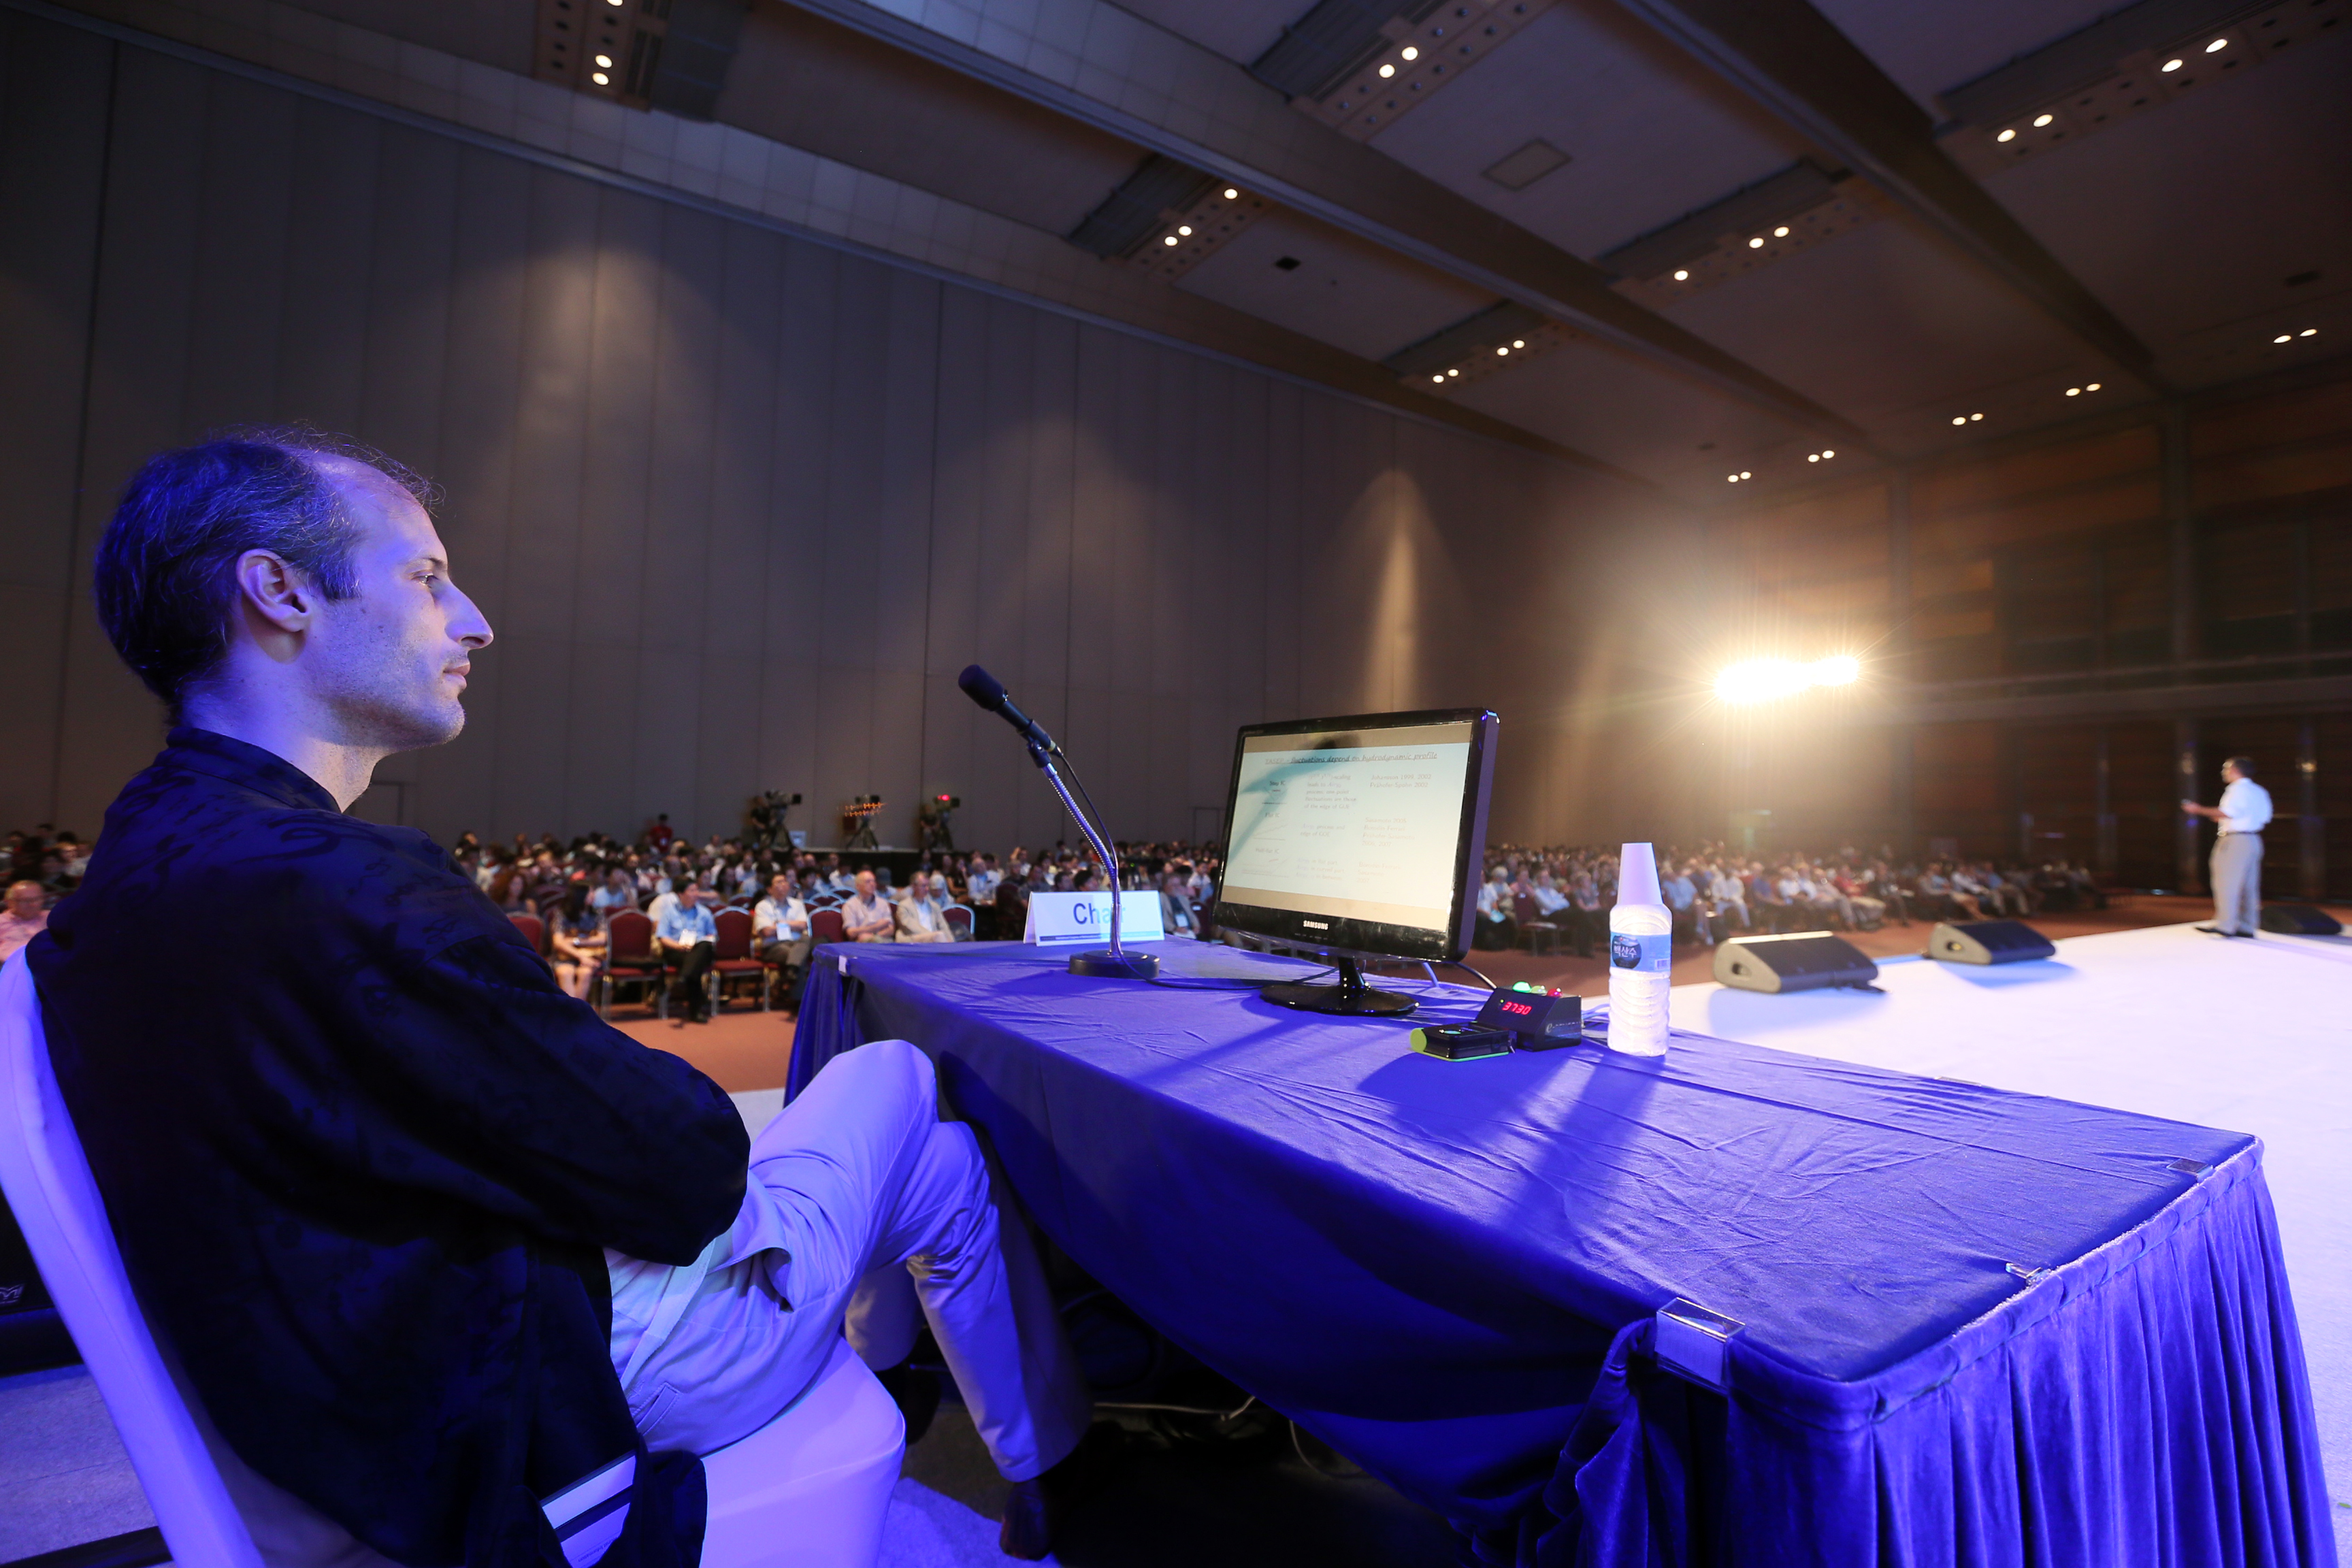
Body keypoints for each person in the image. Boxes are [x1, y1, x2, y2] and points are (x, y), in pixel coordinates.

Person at [28, 431, 1090, 1567]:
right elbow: (687, 1171)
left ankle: (999, 1444)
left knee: (939, 1165)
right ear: (280, 592)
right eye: (427, 577)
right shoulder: (335, 885)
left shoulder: (144, 861)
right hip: (543, 1390)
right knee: (900, 1076)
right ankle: (1027, 1461)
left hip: (358, 1393)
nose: (475, 621)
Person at [2185, 755, 2272, 938]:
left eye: (2226, 769)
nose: (2224, 772)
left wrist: (2197, 809)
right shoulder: (2259, 791)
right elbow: (2264, 817)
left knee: (2226, 882)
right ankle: (2247, 926)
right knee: (2249, 886)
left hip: (2235, 841)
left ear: (2234, 770)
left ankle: (2225, 924)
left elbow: (2229, 812)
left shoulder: (2236, 790)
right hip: (2253, 840)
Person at [657, 881, 719, 1025]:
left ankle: (683, 978)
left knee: (703, 948)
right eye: (691, 891)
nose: (696, 894)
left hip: (701, 950)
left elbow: (713, 935)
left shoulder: (704, 912)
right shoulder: (669, 912)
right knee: (694, 965)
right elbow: (663, 937)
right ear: (680, 894)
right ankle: (695, 1012)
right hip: (677, 950)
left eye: (697, 890)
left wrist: (706, 940)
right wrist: (679, 946)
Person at [753, 872, 812, 1011]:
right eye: (779, 882)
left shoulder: (797, 904)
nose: (784, 885)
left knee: (806, 941)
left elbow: (803, 925)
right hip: (774, 946)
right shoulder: (763, 906)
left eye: (785, 881)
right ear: (769, 889)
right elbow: (766, 932)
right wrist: (792, 925)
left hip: (797, 944)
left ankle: (792, 972)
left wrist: (780, 923)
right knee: (798, 955)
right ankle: (798, 1001)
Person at [896, 869, 956, 944]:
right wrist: (932, 936)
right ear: (914, 887)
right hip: (915, 940)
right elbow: (910, 927)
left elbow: (943, 926)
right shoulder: (904, 906)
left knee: (943, 938)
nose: (927, 889)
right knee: (939, 936)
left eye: (928, 886)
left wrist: (951, 941)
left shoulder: (934, 906)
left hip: (936, 940)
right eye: (923, 886)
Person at [840, 868, 898, 943]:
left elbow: (891, 930)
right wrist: (876, 927)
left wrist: (874, 936)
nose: (872, 884)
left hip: (883, 940)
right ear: (858, 886)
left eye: (874, 881)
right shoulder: (850, 905)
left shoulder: (883, 903)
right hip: (861, 944)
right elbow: (851, 933)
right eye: (868, 882)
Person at [0, 880, 48, 962]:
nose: (32, 904)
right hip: (11, 966)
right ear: (9, 902)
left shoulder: (53, 918)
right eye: (25, 900)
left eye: (36, 899)